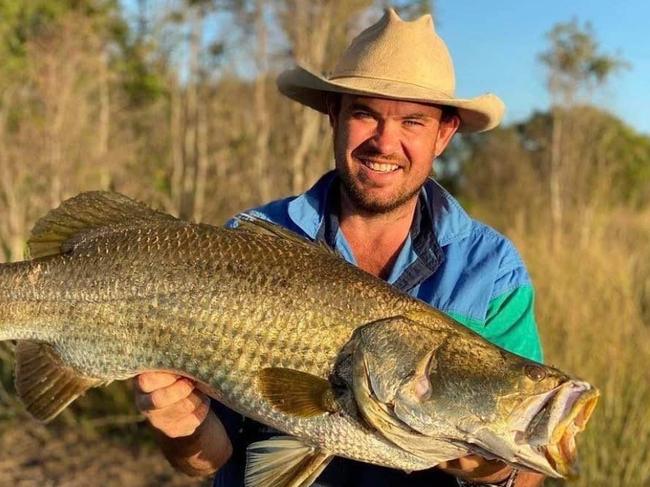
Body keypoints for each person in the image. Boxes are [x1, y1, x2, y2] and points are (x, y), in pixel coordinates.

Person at [134, 9, 545, 487]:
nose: (384, 142)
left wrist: (493, 470)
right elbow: (208, 458)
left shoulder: (492, 270)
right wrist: (180, 428)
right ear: (335, 116)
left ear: (444, 133)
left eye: (412, 121)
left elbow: (525, 468)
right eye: (365, 113)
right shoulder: (250, 243)